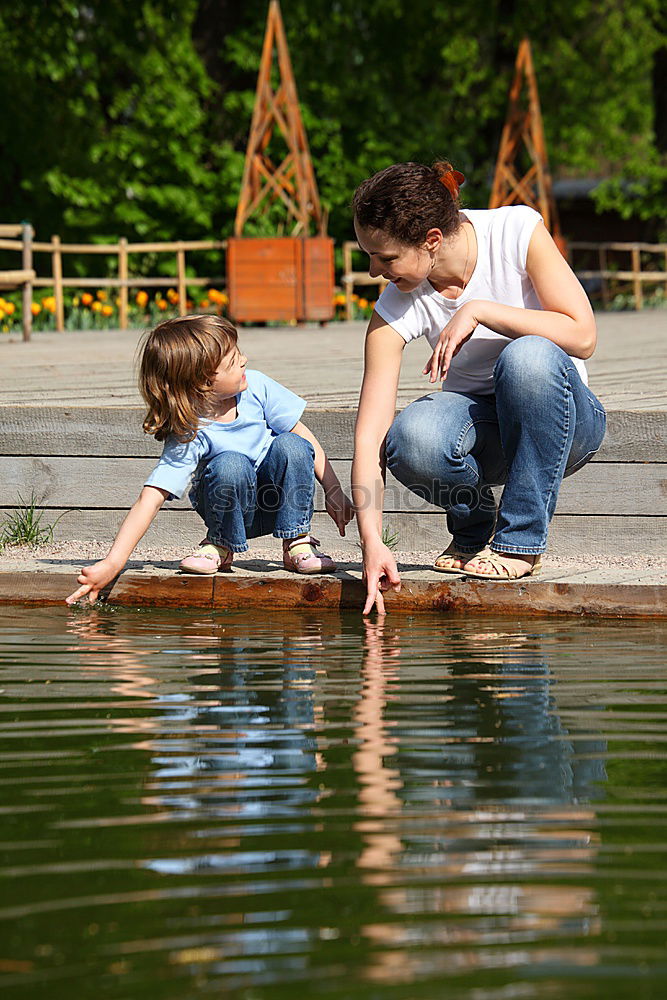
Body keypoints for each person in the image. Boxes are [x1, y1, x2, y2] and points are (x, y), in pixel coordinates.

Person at [351, 160, 606, 614]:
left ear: (431, 240)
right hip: (488, 437)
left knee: (526, 356)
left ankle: (519, 545)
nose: (374, 272)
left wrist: (481, 310)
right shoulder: (397, 302)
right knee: (412, 438)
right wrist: (371, 542)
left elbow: (582, 336)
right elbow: (370, 436)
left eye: (385, 257)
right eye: (369, 256)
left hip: (566, 423)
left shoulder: (515, 230)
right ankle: (473, 531)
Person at [66, 314, 353, 605]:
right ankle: (221, 544)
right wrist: (114, 563)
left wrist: (333, 490)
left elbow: (303, 435)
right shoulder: (191, 430)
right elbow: (151, 497)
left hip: (279, 504)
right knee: (230, 463)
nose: (244, 359)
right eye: (232, 361)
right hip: (231, 513)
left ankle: (296, 541)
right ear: (204, 381)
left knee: (293, 444)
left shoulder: (258, 387)